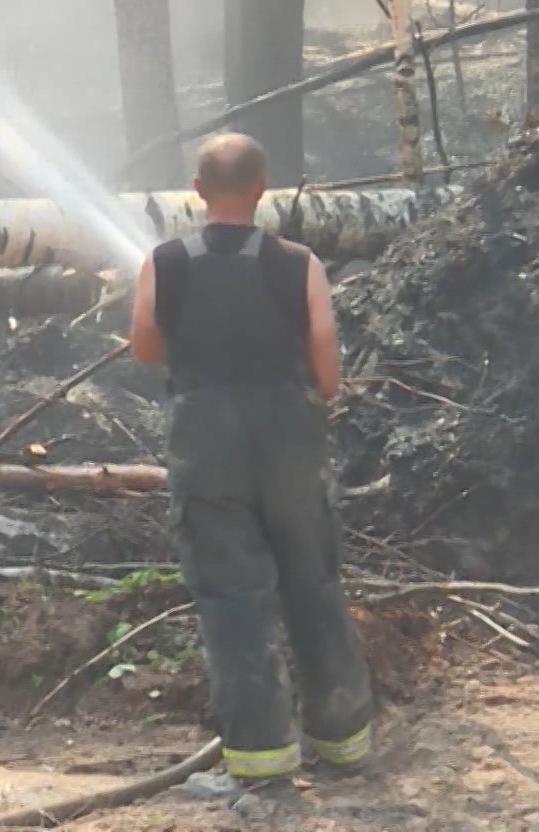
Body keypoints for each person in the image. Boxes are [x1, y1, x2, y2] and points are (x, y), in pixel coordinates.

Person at [128, 132, 375, 781]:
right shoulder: (300, 263)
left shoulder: (164, 262)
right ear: (262, 188)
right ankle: (343, 741)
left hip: (204, 439)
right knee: (312, 581)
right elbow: (327, 375)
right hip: (289, 436)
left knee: (231, 597)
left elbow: (145, 350)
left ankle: (262, 762)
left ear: (199, 189)